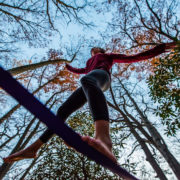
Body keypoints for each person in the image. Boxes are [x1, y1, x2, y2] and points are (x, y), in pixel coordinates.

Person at [3, 42, 176, 163]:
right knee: (63, 110)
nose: (93, 53)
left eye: (95, 50)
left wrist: (158, 50)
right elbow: (81, 70)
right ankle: (34, 147)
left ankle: (104, 139)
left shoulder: (107, 56)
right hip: (90, 80)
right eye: (92, 52)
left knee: (87, 80)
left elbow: (131, 58)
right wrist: (68, 67)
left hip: (102, 77)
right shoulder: (88, 64)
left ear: (100, 50)